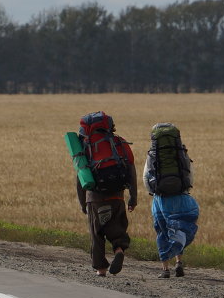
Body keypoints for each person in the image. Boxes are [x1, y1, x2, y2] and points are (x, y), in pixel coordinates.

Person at [75, 112, 138, 276]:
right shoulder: (120, 143)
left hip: (95, 198)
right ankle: (118, 250)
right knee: (117, 227)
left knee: (96, 234)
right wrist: (133, 196)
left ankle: (101, 268)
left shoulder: (86, 147)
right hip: (117, 196)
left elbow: (80, 177)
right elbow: (131, 170)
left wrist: (83, 203)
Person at [144, 122, 199, 278]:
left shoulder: (152, 154)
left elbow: (146, 176)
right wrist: (184, 189)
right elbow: (189, 172)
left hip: (161, 199)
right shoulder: (181, 151)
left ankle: (165, 269)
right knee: (178, 229)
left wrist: (153, 192)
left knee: (162, 231)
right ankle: (179, 263)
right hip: (181, 195)